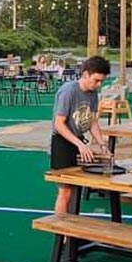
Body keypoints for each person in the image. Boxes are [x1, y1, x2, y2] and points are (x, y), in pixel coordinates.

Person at [51, 56, 111, 214]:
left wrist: (102, 144)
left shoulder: (92, 94)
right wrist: (80, 145)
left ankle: (71, 234)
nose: (98, 85)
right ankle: (61, 234)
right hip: (62, 143)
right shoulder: (68, 91)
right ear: (86, 74)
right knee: (65, 191)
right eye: (96, 80)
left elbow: (92, 122)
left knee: (76, 188)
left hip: (78, 141)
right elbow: (59, 124)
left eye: (101, 82)